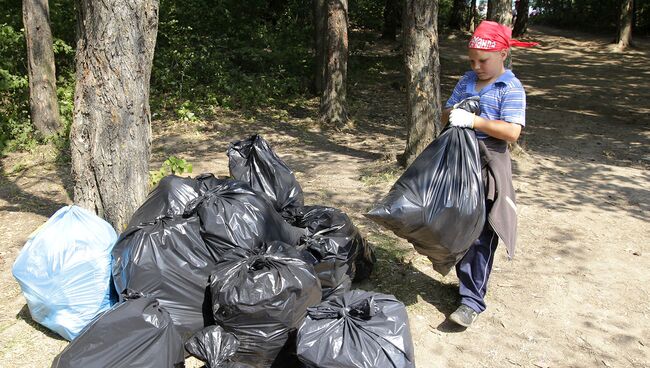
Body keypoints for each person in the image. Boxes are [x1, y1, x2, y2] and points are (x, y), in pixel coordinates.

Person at [442, 20, 538, 327]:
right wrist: (456, 110)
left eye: (483, 60)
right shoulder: (467, 79)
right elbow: (444, 112)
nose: (476, 66)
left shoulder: (510, 87)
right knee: (456, 224)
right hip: (458, 164)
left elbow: (512, 131)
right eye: (472, 60)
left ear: (503, 54)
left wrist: (475, 121)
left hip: (488, 171)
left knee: (482, 234)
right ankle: (461, 281)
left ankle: (471, 301)